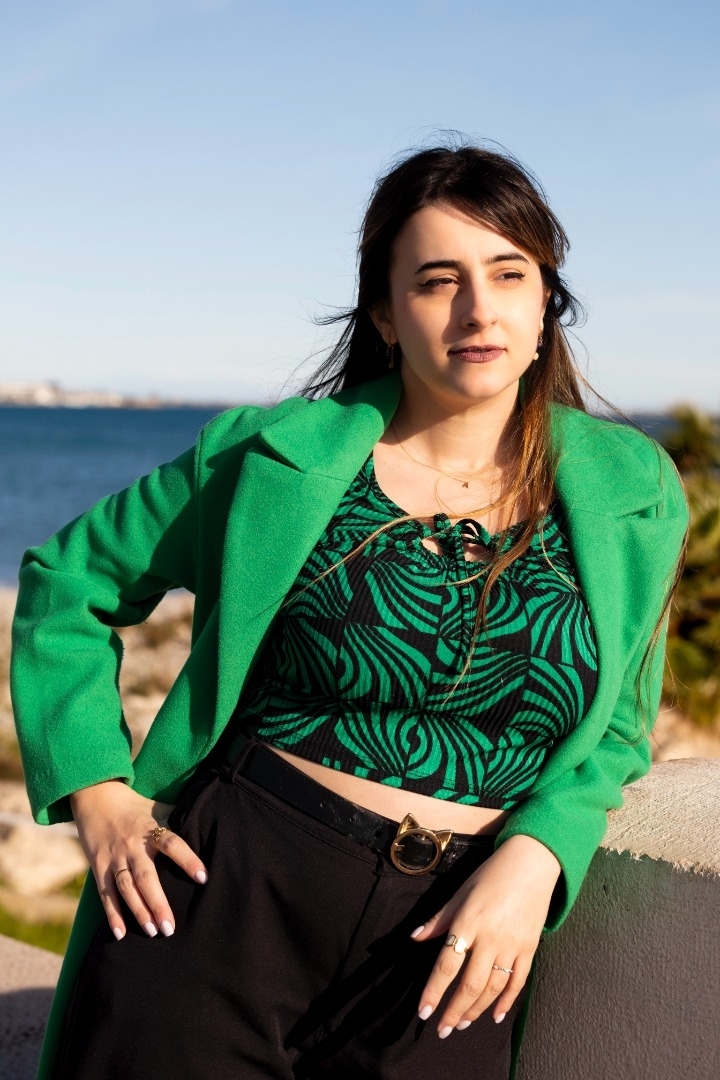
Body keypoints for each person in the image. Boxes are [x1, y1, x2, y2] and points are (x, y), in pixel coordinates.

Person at [11, 142, 688, 1080]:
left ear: (545, 305)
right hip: (221, 902)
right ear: (384, 313)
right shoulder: (272, 456)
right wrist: (99, 793)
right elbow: (66, 584)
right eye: (437, 280)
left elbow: (617, 730)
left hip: (454, 949)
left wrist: (540, 855)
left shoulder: (633, 490)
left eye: (509, 274)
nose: (478, 309)